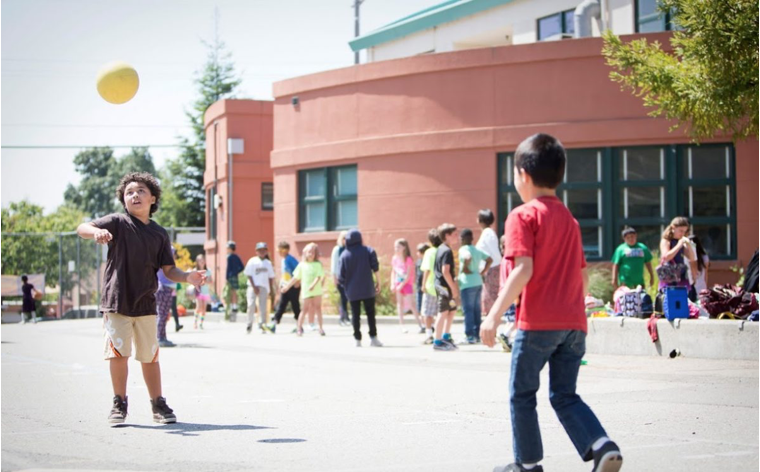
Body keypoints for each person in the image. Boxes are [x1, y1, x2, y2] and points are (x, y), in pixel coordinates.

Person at [480, 134, 622, 472]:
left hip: (538, 324)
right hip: (573, 324)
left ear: (523, 175)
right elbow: (583, 276)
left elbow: (523, 270)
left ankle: (528, 465)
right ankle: (601, 445)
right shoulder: (569, 220)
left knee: (522, 394)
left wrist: (493, 316)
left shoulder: (522, 216)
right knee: (564, 394)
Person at [76, 171, 206, 425]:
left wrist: (187, 277)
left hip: (146, 303)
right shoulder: (117, 222)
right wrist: (95, 233)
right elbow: (83, 228)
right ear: (124, 200)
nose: (134, 195)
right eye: (129, 192)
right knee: (118, 354)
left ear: (152, 198)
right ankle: (119, 402)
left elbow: (169, 270)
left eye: (140, 191)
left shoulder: (159, 234)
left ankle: (158, 403)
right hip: (117, 301)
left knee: (150, 356)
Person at [339, 229, 383, 347]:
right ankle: (373, 338)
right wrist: (378, 283)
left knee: (355, 315)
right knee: (370, 314)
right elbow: (375, 268)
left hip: (352, 290)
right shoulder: (368, 251)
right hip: (367, 288)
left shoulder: (344, 255)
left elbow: (341, 277)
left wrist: (346, 288)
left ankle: (357, 339)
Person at [458, 228, 493, 344]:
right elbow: (489, 259)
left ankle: (470, 335)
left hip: (467, 283)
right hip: (477, 281)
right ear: (472, 238)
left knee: (468, 310)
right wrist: (483, 272)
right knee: (476, 310)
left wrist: (465, 268)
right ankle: (477, 334)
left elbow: (467, 256)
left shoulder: (464, 249)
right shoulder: (477, 250)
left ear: (462, 239)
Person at [281, 243, 325, 336]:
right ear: (305, 253)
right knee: (304, 309)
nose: (311, 254)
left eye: (313, 252)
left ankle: (321, 328)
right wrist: (287, 287)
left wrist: (313, 285)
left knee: (318, 308)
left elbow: (318, 277)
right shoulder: (302, 265)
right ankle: (299, 328)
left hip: (316, 290)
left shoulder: (318, 264)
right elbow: (295, 278)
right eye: (309, 252)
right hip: (306, 290)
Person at [432, 223, 460, 351]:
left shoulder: (441, 248)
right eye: (455, 235)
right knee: (443, 312)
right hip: (444, 286)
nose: (457, 237)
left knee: (452, 310)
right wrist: (453, 288)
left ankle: (446, 337)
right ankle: (437, 342)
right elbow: (445, 271)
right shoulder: (446, 251)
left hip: (443, 285)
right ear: (447, 236)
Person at [391, 238, 424, 333]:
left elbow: (408, 275)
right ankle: (402, 325)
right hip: (398, 283)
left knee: (412, 304)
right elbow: (393, 271)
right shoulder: (394, 258)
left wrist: (402, 285)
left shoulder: (408, 259)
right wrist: (393, 283)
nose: (396, 249)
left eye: (398, 247)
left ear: (404, 247)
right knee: (400, 304)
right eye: (395, 247)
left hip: (407, 284)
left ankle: (420, 325)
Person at [659, 217, 697, 296]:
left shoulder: (681, 241)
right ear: (673, 228)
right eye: (681, 231)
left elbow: (692, 258)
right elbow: (666, 257)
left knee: (682, 297)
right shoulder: (666, 240)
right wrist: (679, 245)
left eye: (684, 231)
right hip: (669, 274)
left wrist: (688, 245)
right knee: (670, 297)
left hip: (680, 275)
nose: (682, 233)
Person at [244, 242, 276, 334]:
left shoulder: (268, 263)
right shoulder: (252, 261)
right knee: (251, 305)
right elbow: (249, 275)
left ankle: (263, 324)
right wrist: (254, 287)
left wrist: (271, 289)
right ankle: (249, 324)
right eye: (260, 250)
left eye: (264, 250)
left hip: (264, 287)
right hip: (252, 286)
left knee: (263, 307)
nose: (262, 252)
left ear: (266, 251)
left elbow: (270, 277)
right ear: (256, 251)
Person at [476, 209, 503, 316]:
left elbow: (494, 252)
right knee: (489, 296)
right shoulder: (487, 233)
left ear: (480, 220)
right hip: (489, 268)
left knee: (490, 296)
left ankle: (492, 321)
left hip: (491, 268)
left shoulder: (488, 233)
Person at [270, 241, 301, 332]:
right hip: (285, 286)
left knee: (295, 305)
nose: (279, 253)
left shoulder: (290, 259)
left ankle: (299, 325)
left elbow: (299, 270)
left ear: (285, 250)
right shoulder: (283, 260)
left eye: (280, 250)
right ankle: (274, 323)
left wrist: (298, 281)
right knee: (281, 305)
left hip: (293, 286)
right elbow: (284, 274)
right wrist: (281, 284)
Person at [419, 229, 441, 344]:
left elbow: (427, 270)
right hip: (441, 287)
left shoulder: (429, 252)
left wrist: (423, 285)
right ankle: (438, 333)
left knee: (427, 313)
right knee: (440, 313)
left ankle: (429, 334)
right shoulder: (443, 251)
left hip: (430, 286)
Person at [331, 231, 350, 326]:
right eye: (344, 238)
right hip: (340, 277)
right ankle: (343, 318)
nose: (345, 240)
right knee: (343, 297)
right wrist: (335, 277)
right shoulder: (337, 249)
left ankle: (346, 317)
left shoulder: (349, 249)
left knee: (348, 297)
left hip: (349, 278)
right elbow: (334, 264)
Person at [155, 263, 176, 347]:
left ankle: (162, 337)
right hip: (164, 288)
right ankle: (160, 338)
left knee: (163, 315)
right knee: (162, 315)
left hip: (164, 288)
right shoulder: (166, 255)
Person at [225, 241, 245, 320]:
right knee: (235, 291)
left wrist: (227, 277)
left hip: (230, 277)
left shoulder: (229, 257)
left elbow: (228, 269)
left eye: (227, 248)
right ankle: (235, 306)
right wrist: (236, 272)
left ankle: (232, 306)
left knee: (230, 292)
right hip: (235, 276)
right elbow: (242, 267)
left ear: (231, 248)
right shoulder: (237, 257)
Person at [194, 254, 212, 330]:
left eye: (202, 260)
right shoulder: (195, 271)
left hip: (205, 292)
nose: (201, 262)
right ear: (197, 262)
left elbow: (210, 281)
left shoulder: (208, 271)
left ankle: (201, 323)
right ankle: (195, 322)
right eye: (200, 260)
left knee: (204, 309)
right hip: (198, 291)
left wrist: (205, 280)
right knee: (199, 307)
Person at [415, 243, 429, 320]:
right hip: (419, 287)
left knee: (426, 307)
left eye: (419, 252)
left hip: (426, 288)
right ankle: (422, 323)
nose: (417, 253)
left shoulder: (428, 261)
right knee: (419, 306)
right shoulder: (418, 261)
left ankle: (429, 323)